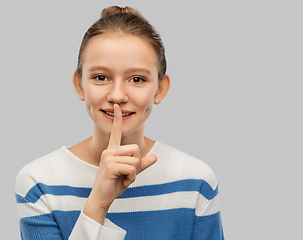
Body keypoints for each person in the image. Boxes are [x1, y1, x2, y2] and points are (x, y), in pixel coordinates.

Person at [15, 6, 224, 240]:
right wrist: (97, 205)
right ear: (79, 84)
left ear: (161, 88)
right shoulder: (39, 182)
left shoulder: (195, 181)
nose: (117, 95)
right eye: (100, 77)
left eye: (137, 79)